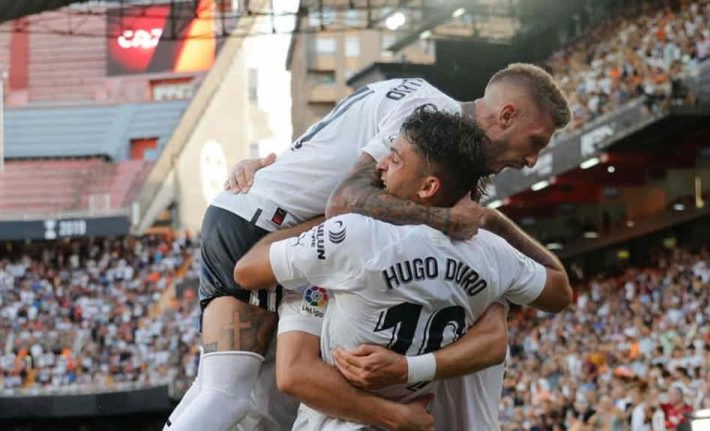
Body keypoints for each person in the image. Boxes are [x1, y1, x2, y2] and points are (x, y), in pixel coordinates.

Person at [165, 63, 571, 431]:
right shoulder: (429, 121)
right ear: (506, 115)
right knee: (230, 397)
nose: (533, 160)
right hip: (270, 226)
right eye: (535, 141)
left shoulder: (424, 107)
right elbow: (344, 202)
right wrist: (444, 219)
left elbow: (331, 161)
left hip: (256, 215)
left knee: (240, 403)